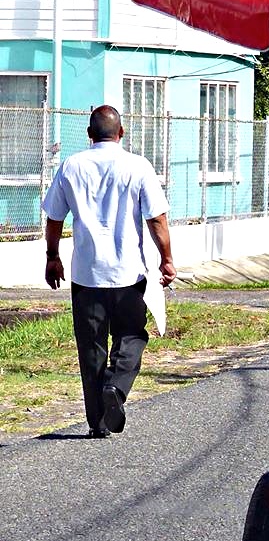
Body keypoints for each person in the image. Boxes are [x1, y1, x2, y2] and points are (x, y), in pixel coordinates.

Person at [42, 105, 176, 439]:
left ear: (90, 134)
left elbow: (54, 218)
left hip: (86, 276)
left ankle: (97, 422)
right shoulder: (137, 165)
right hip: (128, 274)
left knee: (91, 348)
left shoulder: (71, 166)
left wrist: (52, 256)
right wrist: (167, 258)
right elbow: (157, 219)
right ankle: (115, 388)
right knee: (131, 336)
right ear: (122, 133)